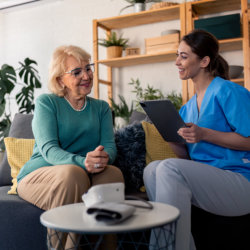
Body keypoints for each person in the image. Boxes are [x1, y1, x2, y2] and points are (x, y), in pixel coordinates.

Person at [143, 29, 250, 250]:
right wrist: (173, 139)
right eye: (177, 55)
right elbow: (186, 158)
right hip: (208, 183)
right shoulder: (187, 108)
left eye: (183, 56)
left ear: (204, 61)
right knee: (152, 169)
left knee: (169, 168)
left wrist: (204, 134)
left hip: (240, 181)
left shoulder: (229, 91)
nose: (177, 62)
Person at [17, 45, 124, 249]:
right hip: (41, 174)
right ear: (60, 80)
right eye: (76, 72)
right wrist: (83, 162)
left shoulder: (101, 107)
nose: (86, 75)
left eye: (88, 68)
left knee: (112, 174)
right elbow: (49, 150)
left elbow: (109, 146)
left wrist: (103, 158)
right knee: (72, 175)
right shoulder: (47, 103)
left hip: (83, 170)